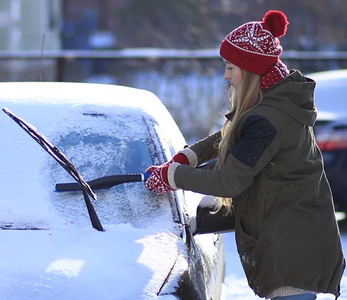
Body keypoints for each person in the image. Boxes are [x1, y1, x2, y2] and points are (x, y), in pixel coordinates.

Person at [145, 10, 345, 300]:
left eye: (231, 67)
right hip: (297, 232)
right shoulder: (276, 98)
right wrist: (191, 155)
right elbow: (232, 134)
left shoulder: (268, 118)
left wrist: (173, 176)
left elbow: (229, 182)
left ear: (251, 70)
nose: (226, 76)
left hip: (291, 245)